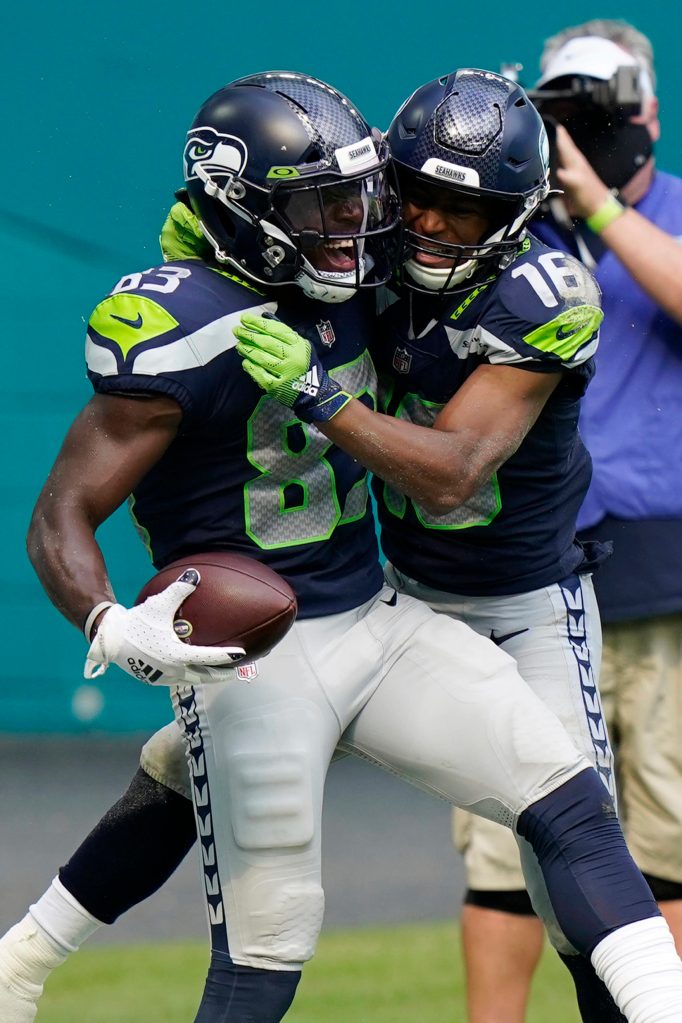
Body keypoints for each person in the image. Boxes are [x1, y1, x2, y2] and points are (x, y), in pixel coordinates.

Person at [2, 69, 682, 1023]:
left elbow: (452, 471)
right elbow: (59, 509)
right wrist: (109, 619)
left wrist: (321, 393)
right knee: (268, 930)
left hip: (437, 601)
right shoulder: (194, 315)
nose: (361, 225)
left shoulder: (507, 289)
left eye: (356, 198)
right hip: (276, 643)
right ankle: (23, 961)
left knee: (569, 810)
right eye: (330, 204)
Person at [450, 21, 682, 1023]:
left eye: (601, 108)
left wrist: (598, 204)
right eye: (561, 112)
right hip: (525, 577)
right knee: (505, 844)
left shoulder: (670, 216)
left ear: (648, 111)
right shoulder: (509, 232)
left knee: (665, 840)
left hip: (664, 585)